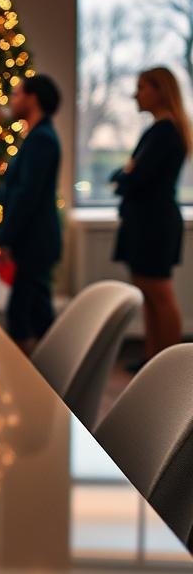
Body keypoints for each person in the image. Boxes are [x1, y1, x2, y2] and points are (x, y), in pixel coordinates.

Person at [0, 74, 62, 352]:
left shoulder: (42, 139)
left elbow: (27, 195)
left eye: (17, 95)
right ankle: (50, 378)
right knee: (32, 313)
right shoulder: (35, 135)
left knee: (26, 317)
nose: (13, 100)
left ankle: (37, 383)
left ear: (32, 98)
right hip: (31, 239)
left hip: (33, 241)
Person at [110, 66, 190, 369]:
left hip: (154, 223)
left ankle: (170, 365)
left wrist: (127, 174)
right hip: (147, 220)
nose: (136, 94)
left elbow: (136, 177)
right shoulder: (159, 130)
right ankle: (153, 358)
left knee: (159, 292)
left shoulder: (166, 132)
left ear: (160, 91)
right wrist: (126, 174)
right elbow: (128, 173)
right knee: (148, 289)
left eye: (142, 87)